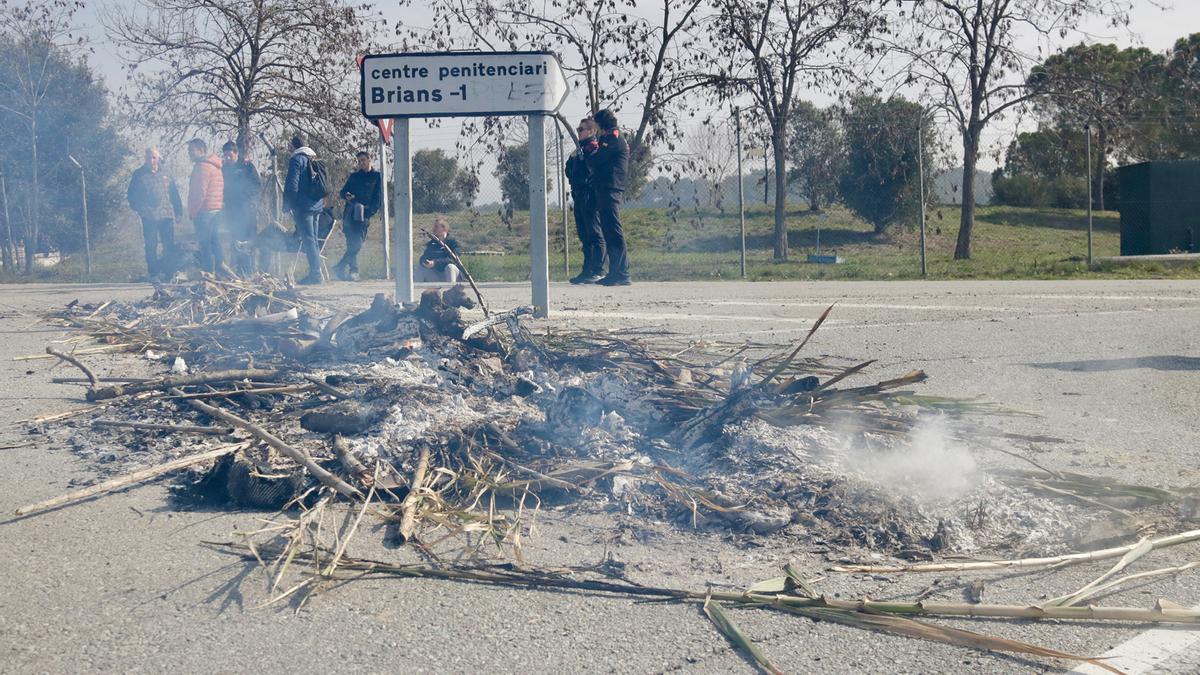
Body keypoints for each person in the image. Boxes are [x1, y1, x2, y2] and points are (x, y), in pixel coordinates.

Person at [585, 108, 631, 286]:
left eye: (596, 122)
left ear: (601, 122)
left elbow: (596, 160)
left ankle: (621, 272)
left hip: (610, 187)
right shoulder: (609, 137)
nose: (594, 126)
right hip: (605, 187)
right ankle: (615, 271)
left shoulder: (613, 137)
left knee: (613, 230)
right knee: (609, 230)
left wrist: (590, 154)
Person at [126, 148, 182, 281]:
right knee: (151, 245)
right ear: (145, 159)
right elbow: (131, 196)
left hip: (166, 215)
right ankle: (153, 273)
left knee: (169, 245)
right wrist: (141, 211)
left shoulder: (166, 173)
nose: (151, 161)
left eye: (154, 158)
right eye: (148, 158)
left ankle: (169, 273)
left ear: (158, 159)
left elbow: (174, 194)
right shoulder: (139, 175)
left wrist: (178, 211)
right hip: (149, 216)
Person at [565, 117, 606, 284]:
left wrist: (584, 157)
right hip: (578, 195)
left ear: (591, 131)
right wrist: (575, 158)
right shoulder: (578, 151)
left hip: (590, 195)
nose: (578, 132)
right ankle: (587, 269)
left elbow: (594, 169)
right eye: (578, 129)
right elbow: (569, 171)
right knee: (584, 234)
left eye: (581, 129)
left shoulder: (594, 148)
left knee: (595, 233)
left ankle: (599, 269)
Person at [283, 132, 324, 285]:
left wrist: (289, 205)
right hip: (317, 205)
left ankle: (315, 274)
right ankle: (317, 271)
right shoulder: (315, 158)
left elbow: (292, 185)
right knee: (313, 240)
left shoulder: (296, 159)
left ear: (294, 145)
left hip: (303, 207)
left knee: (308, 240)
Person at [334, 150, 382, 281]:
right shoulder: (354, 177)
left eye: (363, 160)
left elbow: (377, 198)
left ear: (369, 160)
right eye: (359, 161)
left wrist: (369, 212)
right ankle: (353, 271)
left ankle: (340, 266)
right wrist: (347, 196)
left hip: (364, 214)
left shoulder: (377, 177)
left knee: (358, 243)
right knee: (351, 243)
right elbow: (343, 192)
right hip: (350, 213)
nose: (361, 163)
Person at [221, 141, 262, 276]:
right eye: (225, 155)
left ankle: (250, 270)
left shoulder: (246, 166)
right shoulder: (223, 169)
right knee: (235, 239)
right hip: (232, 212)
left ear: (236, 153)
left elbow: (257, 184)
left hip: (247, 211)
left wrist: (251, 199)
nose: (227, 158)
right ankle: (239, 270)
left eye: (229, 155)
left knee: (248, 240)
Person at [186, 138, 224, 276]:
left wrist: (193, 211)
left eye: (191, 150)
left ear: (200, 150)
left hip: (204, 211)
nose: (189, 153)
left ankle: (208, 274)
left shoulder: (202, 167)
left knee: (205, 245)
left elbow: (199, 193)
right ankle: (221, 270)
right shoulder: (215, 165)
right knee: (215, 242)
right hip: (216, 210)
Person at [416, 217, 462, 283]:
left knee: (450, 267)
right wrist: (425, 262)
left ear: (444, 228)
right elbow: (424, 256)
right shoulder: (432, 243)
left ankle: (451, 292)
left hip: (452, 274)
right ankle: (421, 292)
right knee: (420, 269)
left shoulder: (453, 243)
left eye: (436, 226)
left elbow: (453, 259)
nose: (433, 229)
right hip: (437, 275)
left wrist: (435, 262)